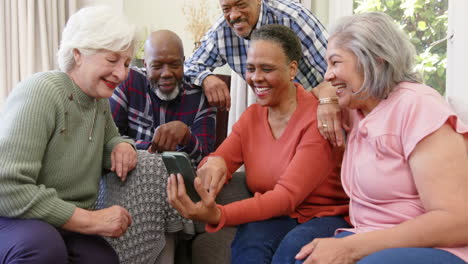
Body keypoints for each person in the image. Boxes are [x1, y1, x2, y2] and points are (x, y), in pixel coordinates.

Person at [168, 24, 350, 264]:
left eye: (267, 69)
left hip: (324, 216)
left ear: (292, 68)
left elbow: (286, 198)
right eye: (251, 68)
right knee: (249, 244)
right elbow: (220, 157)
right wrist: (214, 163)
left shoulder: (318, 118)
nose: (256, 78)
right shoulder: (252, 117)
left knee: (293, 251)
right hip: (279, 217)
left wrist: (219, 214)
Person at [295, 12, 468, 264]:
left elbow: (458, 220)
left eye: (335, 63)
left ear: (374, 62)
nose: (327, 75)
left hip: (438, 247)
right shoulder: (359, 105)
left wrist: (353, 248)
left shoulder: (418, 106)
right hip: (372, 237)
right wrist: (327, 100)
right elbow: (311, 92)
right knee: (303, 256)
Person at [0, 6, 138, 263]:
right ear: (78, 54)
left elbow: (108, 140)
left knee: (102, 260)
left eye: (127, 63)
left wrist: (123, 146)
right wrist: (91, 219)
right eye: (112, 60)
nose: (121, 73)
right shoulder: (42, 91)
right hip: (10, 215)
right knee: (42, 247)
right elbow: (6, 187)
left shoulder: (98, 103)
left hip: (57, 222)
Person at [185, 0, 345, 146]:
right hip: (278, 119)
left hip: (319, 112)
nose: (233, 15)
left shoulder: (294, 17)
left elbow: (338, 68)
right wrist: (206, 77)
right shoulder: (221, 31)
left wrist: (328, 100)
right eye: (226, 8)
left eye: (241, 5)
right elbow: (190, 65)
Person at [110, 30, 217, 165]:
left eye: (174, 65)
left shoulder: (201, 97)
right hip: (130, 179)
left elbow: (206, 161)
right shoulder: (129, 82)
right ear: (145, 64)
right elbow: (109, 140)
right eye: (157, 66)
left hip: (180, 183)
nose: (166, 73)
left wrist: (186, 136)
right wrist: (148, 147)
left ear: (183, 62)